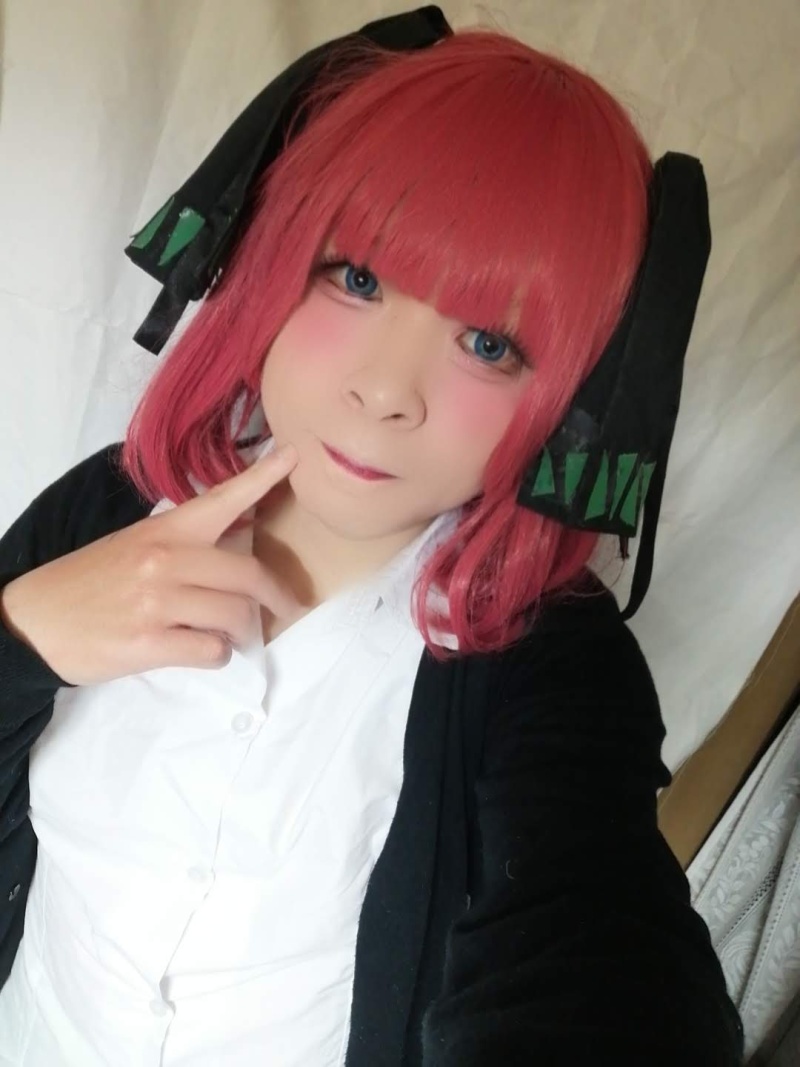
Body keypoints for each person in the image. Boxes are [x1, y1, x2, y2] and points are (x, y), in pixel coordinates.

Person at [0, 8, 744, 1066]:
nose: (386, 389)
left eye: (488, 342)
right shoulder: (106, 507)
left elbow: (601, 949)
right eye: (356, 279)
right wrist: (18, 637)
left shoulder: (554, 672)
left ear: (575, 396)